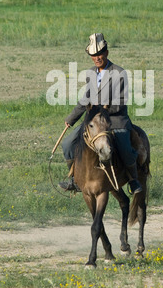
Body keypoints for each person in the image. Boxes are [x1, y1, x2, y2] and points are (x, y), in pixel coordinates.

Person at [59, 33, 142, 195]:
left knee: (125, 148)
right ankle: (75, 180)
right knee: (67, 144)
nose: (97, 58)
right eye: (93, 55)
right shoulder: (90, 73)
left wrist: (104, 109)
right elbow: (85, 99)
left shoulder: (119, 73)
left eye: (100, 54)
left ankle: (133, 180)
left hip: (115, 120)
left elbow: (122, 100)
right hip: (92, 121)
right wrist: (71, 118)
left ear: (107, 53)